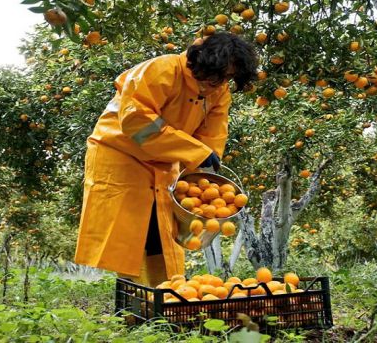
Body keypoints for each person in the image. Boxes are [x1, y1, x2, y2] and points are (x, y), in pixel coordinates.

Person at [74, 32, 258, 287]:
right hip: (120, 153)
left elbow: (211, 138)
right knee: (131, 233)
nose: (220, 83)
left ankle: (165, 298)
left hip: (163, 160)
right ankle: (135, 302)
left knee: (162, 234)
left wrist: (206, 177)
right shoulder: (162, 70)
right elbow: (137, 122)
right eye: (218, 75)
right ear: (202, 62)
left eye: (228, 78)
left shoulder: (219, 92)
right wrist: (195, 153)